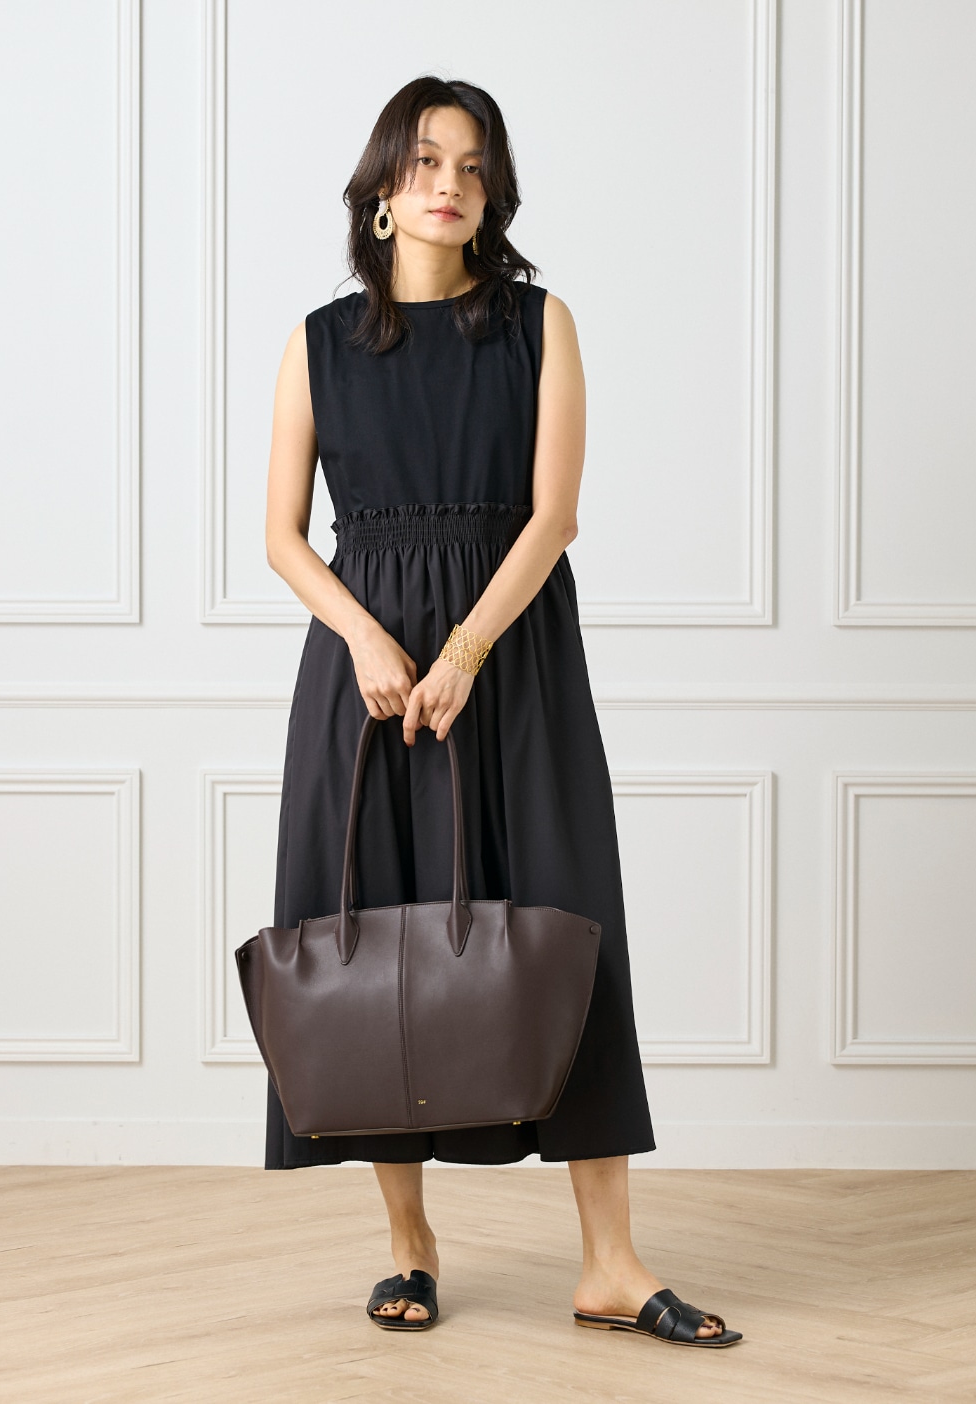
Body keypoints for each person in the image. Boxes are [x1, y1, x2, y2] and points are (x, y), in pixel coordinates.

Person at [261, 75, 741, 1348]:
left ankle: (611, 1265)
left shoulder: (539, 324)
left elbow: (553, 516)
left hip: (513, 661)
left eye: (473, 168)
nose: (450, 186)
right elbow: (282, 535)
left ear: (495, 193)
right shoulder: (316, 343)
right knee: (377, 944)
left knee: (570, 925)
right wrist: (368, 637)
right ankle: (410, 1251)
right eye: (426, 162)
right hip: (368, 679)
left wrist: (466, 649)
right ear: (382, 186)